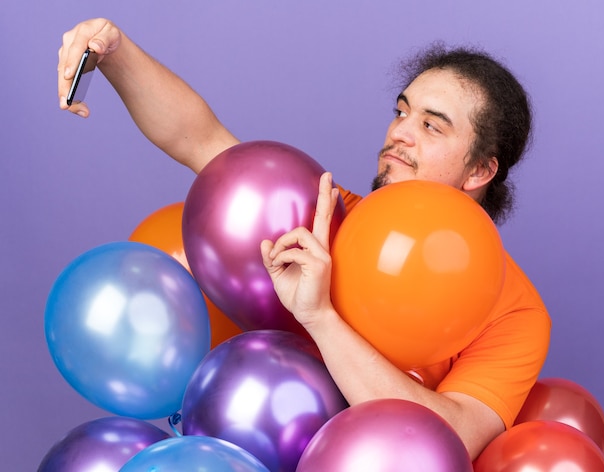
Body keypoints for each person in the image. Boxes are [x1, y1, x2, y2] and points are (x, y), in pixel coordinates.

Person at [57, 18, 551, 460]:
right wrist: (117, 51)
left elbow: (447, 436)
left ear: (481, 169)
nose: (400, 132)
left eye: (430, 126)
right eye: (401, 112)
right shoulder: (331, 216)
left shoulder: (517, 313)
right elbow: (201, 141)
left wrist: (320, 317)